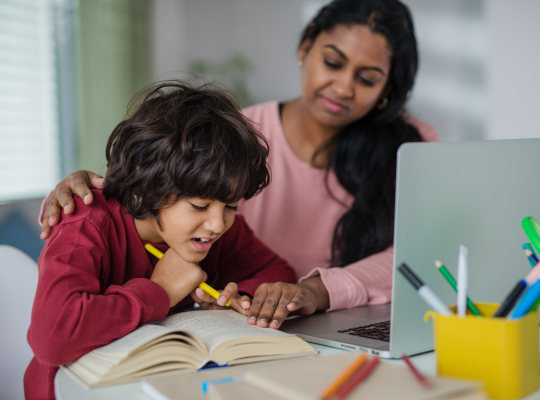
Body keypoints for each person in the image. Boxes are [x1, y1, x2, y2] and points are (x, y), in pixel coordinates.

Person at [39, 0, 440, 330]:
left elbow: (424, 253)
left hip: (317, 323)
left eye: (368, 78)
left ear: (389, 89)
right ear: (305, 49)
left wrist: (249, 293)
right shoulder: (235, 136)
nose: (343, 87)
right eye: (333, 63)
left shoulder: (410, 146)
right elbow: (147, 178)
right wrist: (86, 186)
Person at [25, 82, 298, 400]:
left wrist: (245, 296)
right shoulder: (86, 221)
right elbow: (53, 337)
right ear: (145, 187)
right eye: (199, 206)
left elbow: (278, 271)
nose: (217, 223)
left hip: (161, 386)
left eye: (231, 205)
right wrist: (162, 291)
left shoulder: (215, 228)